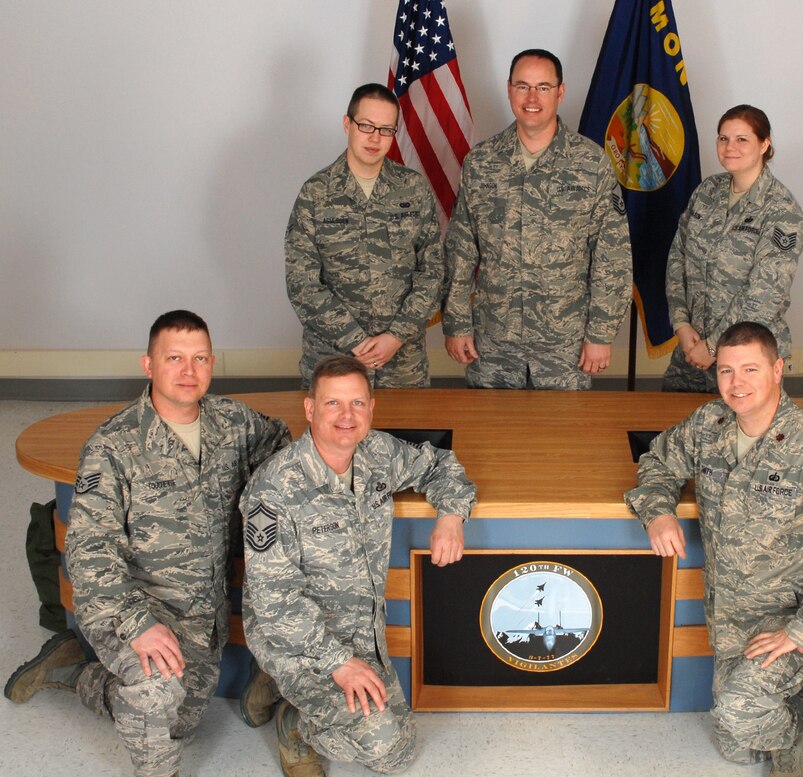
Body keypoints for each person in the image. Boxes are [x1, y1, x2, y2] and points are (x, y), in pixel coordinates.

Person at [4, 310, 291, 777]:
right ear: (148, 365)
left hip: (201, 617)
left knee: (178, 724)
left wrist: (258, 505)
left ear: (212, 363)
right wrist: (139, 625)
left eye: (199, 358)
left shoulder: (235, 423)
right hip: (130, 609)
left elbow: (280, 444)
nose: (188, 371)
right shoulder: (113, 446)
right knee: (155, 693)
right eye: (174, 358)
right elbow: (88, 554)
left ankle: (70, 669)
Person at [625, 321, 803, 777]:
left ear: (778, 369)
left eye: (750, 369)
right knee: (735, 747)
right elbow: (659, 460)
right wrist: (658, 511)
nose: (737, 384)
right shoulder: (710, 424)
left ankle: (794, 728)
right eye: (726, 372)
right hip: (727, 616)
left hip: (787, 617)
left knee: (739, 712)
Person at [241, 355, 476, 777]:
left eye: (357, 403)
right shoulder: (273, 491)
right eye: (333, 404)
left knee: (398, 754)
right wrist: (338, 662)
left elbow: (441, 464)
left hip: (359, 630)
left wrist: (451, 516)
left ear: (372, 407)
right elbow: (275, 606)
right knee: (388, 750)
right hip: (297, 639)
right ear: (310, 408)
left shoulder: (377, 453)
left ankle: (282, 690)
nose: (347, 417)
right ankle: (294, 718)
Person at [443, 48, 632, 389]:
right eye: (523, 86)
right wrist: (457, 324)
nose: (532, 98)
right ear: (509, 89)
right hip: (494, 341)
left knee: (566, 438)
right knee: (488, 435)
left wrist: (601, 334)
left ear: (560, 92)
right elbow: (460, 250)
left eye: (543, 87)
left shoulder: (591, 163)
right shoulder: (482, 161)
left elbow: (612, 257)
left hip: (566, 344)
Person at [286, 83, 443, 388]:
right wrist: (355, 341)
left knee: (408, 436)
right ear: (347, 124)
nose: (375, 138)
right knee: (334, 435)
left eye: (386, 129)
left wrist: (396, 335)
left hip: (402, 364)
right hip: (334, 360)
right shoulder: (316, 193)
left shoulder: (413, 188)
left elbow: (433, 271)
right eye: (366, 126)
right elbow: (301, 282)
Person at [664, 105, 803, 393]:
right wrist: (681, 324)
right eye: (723, 138)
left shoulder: (782, 211)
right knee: (673, 429)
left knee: (745, 434)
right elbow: (677, 259)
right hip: (691, 351)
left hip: (745, 358)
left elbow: (764, 295)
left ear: (764, 144)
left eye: (742, 139)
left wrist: (715, 346)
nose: (730, 147)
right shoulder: (706, 193)